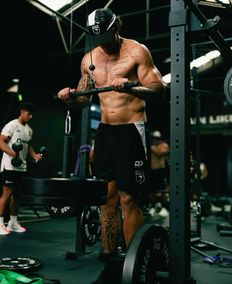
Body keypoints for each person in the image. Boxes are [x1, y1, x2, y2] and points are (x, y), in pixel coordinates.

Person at [57, 7, 165, 283]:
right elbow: (83, 99)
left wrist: (130, 86)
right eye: (98, 37)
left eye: (106, 35)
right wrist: (71, 96)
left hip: (131, 129)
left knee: (129, 199)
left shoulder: (137, 52)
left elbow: (157, 89)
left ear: (116, 26)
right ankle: (109, 255)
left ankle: (133, 258)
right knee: (107, 198)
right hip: (104, 132)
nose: (103, 42)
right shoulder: (89, 59)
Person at [0, 102, 42, 235]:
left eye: (32, 115)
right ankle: (0, 224)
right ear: (22, 112)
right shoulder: (12, 125)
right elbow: (1, 141)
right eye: (29, 114)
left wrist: (34, 155)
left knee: (18, 196)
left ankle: (13, 222)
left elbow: (27, 146)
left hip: (22, 167)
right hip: (10, 166)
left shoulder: (29, 130)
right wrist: (13, 154)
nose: (30, 117)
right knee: (6, 194)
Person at [147, 130, 170, 217]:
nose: (154, 140)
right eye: (153, 138)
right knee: (152, 190)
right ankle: (153, 206)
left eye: (156, 138)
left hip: (161, 170)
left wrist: (152, 147)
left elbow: (159, 153)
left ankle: (164, 207)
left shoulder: (164, 145)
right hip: (152, 171)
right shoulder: (151, 146)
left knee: (163, 190)